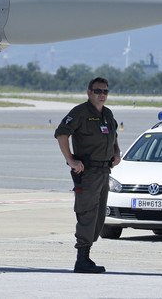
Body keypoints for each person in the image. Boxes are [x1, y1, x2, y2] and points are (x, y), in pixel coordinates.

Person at [54, 77, 121, 273]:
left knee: (99, 217)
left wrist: (116, 153)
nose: (102, 95)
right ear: (89, 92)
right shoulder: (80, 113)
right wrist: (70, 160)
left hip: (104, 171)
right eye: (98, 91)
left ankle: (87, 255)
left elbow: (114, 135)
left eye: (105, 91)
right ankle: (81, 259)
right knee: (87, 214)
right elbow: (61, 134)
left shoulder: (107, 114)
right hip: (88, 172)